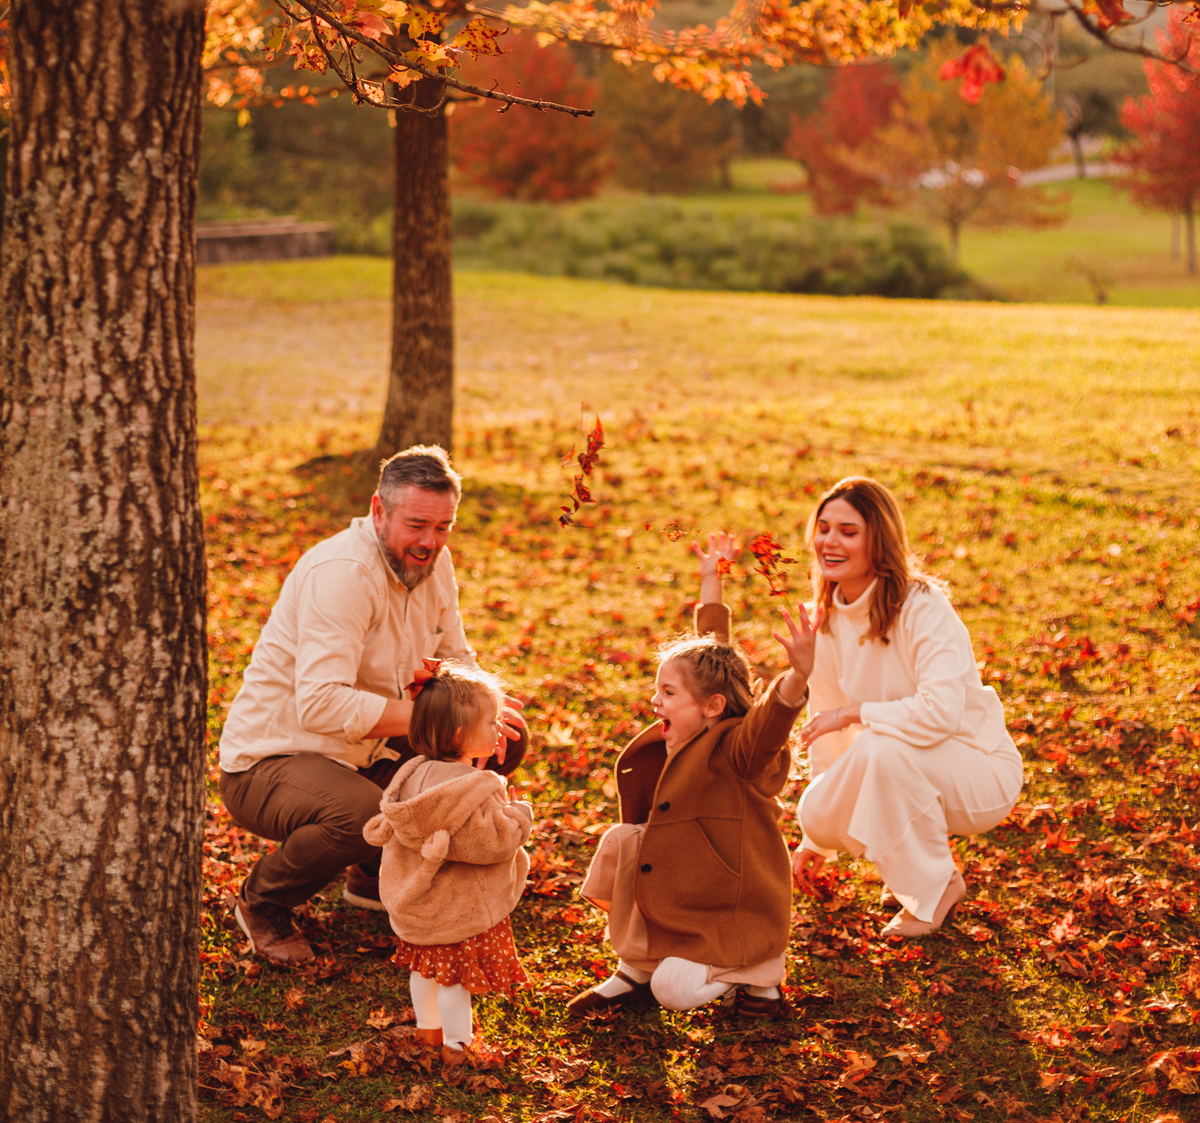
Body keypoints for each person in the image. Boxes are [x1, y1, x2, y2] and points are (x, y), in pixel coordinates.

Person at [218, 444, 526, 967]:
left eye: (444, 526)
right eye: (417, 525)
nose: (430, 542)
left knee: (503, 739)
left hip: (370, 747)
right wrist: (442, 717)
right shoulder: (343, 573)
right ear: (379, 511)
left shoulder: (433, 562)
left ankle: (374, 874)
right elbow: (319, 705)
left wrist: (484, 705)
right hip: (273, 761)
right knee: (361, 813)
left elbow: (455, 655)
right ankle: (264, 903)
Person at [568, 532, 814, 1021]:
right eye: (657, 690)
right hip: (687, 883)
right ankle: (634, 967)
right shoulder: (697, 716)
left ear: (711, 708)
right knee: (627, 841)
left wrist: (798, 678)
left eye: (668, 693)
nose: (655, 701)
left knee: (675, 990)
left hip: (732, 902)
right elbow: (714, 657)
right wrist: (711, 586)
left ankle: (757, 974)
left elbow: (768, 723)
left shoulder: (738, 748)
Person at [793, 476, 1023, 938]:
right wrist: (815, 838)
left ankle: (935, 890)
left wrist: (855, 713)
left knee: (882, 747)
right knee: (817, 808)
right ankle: (906, 869)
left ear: (877, 540)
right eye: (823, 527)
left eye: (848, 531)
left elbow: (940, 715)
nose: (829, 541)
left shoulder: (922, 606)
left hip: (979, 770)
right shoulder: (826, 619)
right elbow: (828, 730)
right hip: (896, 767)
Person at [363, 663, 533, 1081]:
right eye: (491, 722)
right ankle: (459, 1050)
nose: (498, 730)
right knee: (456, 981)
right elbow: (490, 843)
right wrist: (519, 816)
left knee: (424, 970)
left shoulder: (411, 775)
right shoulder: (472, 788)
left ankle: (428, 1033)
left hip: (419, 904)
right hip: (456, 908)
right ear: (460, 736)